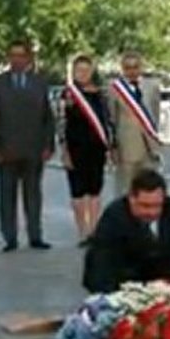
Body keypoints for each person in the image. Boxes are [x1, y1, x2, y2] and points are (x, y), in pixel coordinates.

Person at [83, 170, 170, 293]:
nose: (152, 212)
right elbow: (102, 267)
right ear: (131, 198)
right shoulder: (113, 218)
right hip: (126, 288)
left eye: (157, 205)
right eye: (145, 206)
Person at [0, 40, 55, 252]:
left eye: (21, 55)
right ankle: (10, 238)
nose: (16, 60)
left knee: (33, 195)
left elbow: (47, 117)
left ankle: (35, 235)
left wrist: (48, 145)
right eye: (13, 55)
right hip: (6, 151)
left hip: (33, 149)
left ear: (28, 59)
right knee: (7, 196)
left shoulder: (39, 83)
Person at [60, 55, 114, 246]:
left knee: (95, 189)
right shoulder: (68, 94)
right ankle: (83, 231)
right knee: (78, 191)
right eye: (79, 70)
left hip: (96, 148)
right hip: (75, 148)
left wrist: (110, 147)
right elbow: (61, 123)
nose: (83, 74)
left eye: (86, 70)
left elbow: (108, 121)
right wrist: (64, 150)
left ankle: (94, 229)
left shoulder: (101, 94)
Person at [112, 50, 163, 194]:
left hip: (149, 147)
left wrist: (156, 141)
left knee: (148, 188)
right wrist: (113, 147)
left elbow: (155, 115)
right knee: (126, 189)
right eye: (128, 68)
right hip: (126, 147)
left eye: (135, 67)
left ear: (141, 68)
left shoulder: (152, 86)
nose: (132, 71)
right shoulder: (115, 89)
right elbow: (112, 120)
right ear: (122, 69)